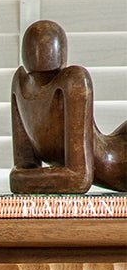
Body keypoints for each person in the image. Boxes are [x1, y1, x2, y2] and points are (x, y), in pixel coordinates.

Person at [10, 19, 127, 193]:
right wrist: (20, 179)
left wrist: (21, 180)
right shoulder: (21, 86)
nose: (39, 52)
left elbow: (79, 178)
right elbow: (23, 170)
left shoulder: (72, 79)